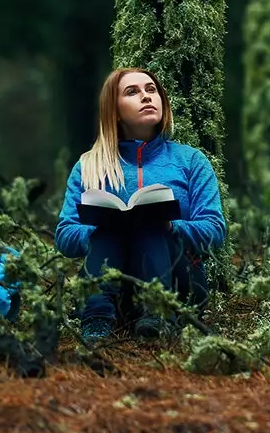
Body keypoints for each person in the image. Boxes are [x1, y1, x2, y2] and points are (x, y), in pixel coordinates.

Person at [56, 67, 226, 343]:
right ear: (114, 110)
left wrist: (171, 225)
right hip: (113, 281)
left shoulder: (190, 160)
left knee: (150, 225)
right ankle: (96, 320)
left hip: (179, 285)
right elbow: (65, 236)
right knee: (108, 231)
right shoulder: (89, 165)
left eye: (151, 90)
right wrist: (99, 228)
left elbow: (215, 230)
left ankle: (157, 316)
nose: (146, 97)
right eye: (132, 92)